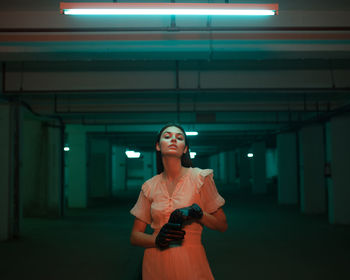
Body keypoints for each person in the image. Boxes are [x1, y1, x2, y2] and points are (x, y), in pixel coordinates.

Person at [130, 123, 228, 280]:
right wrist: (157, 239)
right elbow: (135, 236)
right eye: (167, 137)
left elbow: (222, 224)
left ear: (185, 149)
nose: (173, 140)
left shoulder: (200, 178)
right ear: (158, 146)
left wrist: (198, 214)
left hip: (190, 259)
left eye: (179, 138)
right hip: (155, 262)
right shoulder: (149, 186)